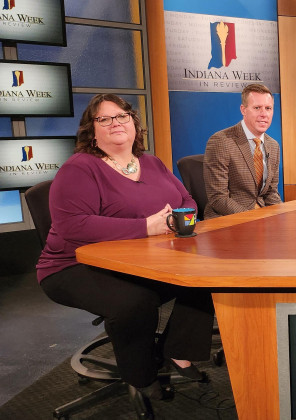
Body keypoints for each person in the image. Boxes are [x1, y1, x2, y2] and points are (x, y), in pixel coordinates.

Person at [36, 94, 215, 399]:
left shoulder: (152, 162)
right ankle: (142, 378)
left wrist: (178, 219)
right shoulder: (79, 169)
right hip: (73, 266)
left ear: (134, 124)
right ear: (91, 132)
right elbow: (72, 226)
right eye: (104, 119)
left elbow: (186, 200)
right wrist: (146, 227)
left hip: (139, 261)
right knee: (135, 301)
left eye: (122, 116)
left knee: (206, 276)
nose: (116, 123)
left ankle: (175, 350)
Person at [204, 83, 281, 219]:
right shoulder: (221, 141)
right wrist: (252, 218)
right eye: (257, 108)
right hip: (228, 219)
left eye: (268, 108)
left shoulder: (273, 146)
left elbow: (271, 193)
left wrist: (284, 214)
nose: (264, 114)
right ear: (243, 110)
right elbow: (218, 198)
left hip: (262, 218)